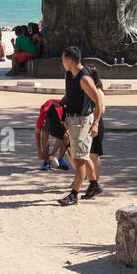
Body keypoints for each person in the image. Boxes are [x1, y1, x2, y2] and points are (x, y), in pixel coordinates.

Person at [57, 47, 105, 205]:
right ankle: (94, 185)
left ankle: (73, 195)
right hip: (72, 120)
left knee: (78, 160)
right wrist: (59, 103)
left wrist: (96, 124)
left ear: (70, 60)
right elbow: (71, 95)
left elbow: (98, 102)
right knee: (81, 157)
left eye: (63, 59)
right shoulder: (69, 75)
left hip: (83, 121)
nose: (62, 62)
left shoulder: (85, 78)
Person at [34, 98, 70, 171]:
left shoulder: (64, 113)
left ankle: (60, 160)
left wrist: (53, 153)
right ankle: (47, 161)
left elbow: (65, 134)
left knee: (65, 136)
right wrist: (39, 151)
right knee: (44, 132)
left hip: (61, 113)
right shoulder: (44, 114)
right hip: (49, 111)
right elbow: (37, 133)